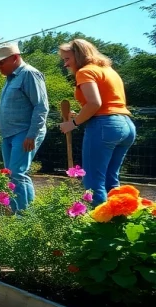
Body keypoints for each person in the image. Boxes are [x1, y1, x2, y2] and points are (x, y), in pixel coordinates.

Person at [57, 39, 135, 204]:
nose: (65, 64)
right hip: (125, 125)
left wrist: (72, 123)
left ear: (79, 55)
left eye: (67, 59)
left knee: (93, 182)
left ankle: (97, 227)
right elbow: (104, 103)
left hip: (104, 127)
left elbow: (95, 103)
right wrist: (80, 114)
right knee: (110, 181)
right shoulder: (108, 70)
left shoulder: (84, 71)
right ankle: (117, 223)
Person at [0, 42, 49, 211]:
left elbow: (41, 107)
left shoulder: (30, 74)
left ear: (15, 58)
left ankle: (22, 217)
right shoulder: (10, 79)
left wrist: (32, 135)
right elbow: (6, 112)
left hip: (25, 132)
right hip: (9, 134)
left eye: (0, 63)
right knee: (11, 174)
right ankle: (24, 213)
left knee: (17, 174)